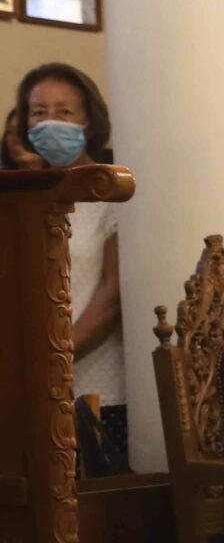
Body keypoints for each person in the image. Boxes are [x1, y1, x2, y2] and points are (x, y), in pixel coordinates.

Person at [18, 63, 125, 473]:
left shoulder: (109, 193)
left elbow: (113, 297)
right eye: (39, 112)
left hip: (97, 390)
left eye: (64, 113)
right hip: (29, 388)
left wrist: (54, 355)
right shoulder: (22, 195)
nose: (50, 123)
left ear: (88, 121)